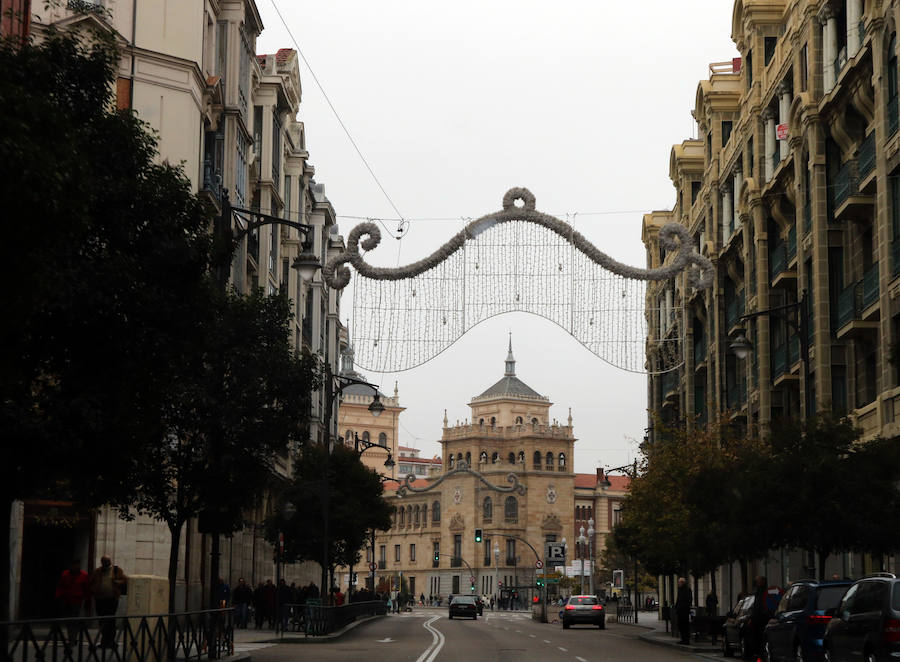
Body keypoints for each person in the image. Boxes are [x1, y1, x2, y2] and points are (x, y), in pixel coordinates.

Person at [89, 556, 127, 649]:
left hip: (112, 599)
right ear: (102, 562)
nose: (106, 562)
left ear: (110, 561)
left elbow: (125, 580)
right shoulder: (97, 571)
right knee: (102, 620)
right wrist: (94, 590)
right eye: (104, 561)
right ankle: (105, 641)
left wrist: (117, 582)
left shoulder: (116, 570)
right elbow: (91, 582)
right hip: (100, 599)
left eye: (107, 561)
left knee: (110, 619)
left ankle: (110, 641)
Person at [55, 559, 89, 645]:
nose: (74, 567)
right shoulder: (65, 574)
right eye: (73, 565)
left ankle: (72, 638)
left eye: (76, 565)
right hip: (66, 600)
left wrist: (87, 601)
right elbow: (60, 586)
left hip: (77, 601)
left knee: (74, 620)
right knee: (69, 620)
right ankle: (71, 637)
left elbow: (86, 589)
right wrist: (58, 597)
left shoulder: (84, 575)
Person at [675, 577, 692, 645]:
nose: (678, 583)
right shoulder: (680, 589)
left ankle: (686, 640)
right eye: (678, 582)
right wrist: (676, 607)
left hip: (684, 610)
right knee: (680, 625)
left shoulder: (687, 589)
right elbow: (678, 599)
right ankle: (683, 639)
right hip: (680, 610)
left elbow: (689, 600)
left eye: (679, 582)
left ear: (682, 582)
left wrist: (685, 607)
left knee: (685, 625)